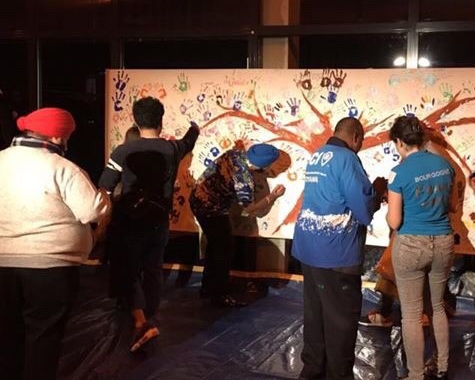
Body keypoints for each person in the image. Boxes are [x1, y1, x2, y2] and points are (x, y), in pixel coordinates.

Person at [0, 107, 111, 380]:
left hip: (2, 263)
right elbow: (91, 211)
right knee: (44, 336)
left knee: (7, 335)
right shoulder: (62, 167)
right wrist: (105, 197)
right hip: (50, 266)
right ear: (59, 137)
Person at [98, 97, 199, 352]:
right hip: (158, 221)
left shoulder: (122, 152)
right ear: (160, 121)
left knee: (129, 269)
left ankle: (140, 321)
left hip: (128, 222)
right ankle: (149, 316)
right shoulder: (172, 149)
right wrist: (194, 127)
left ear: (135, 120)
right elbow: (189, 141)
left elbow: (105, 186)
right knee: (153, 268)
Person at [292, 117, 385, 380]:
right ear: (356, 137)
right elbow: (363, 209)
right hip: (336, 254)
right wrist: (377, 191)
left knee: (315, 314)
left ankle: (312, 371)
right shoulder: (347, 159)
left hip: (308, 249)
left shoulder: (318, 155)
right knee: (341, 321)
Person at [385, 116, 455, 380]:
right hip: (444, 242)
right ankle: (442, 367)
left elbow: (395, 221)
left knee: (412, 316)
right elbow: (452, 207)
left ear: (400, 142)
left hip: (411, 245)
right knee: (437, 306)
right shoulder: (445, 166)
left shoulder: (399, 172)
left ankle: (416, 375)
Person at [190, 142, 285, 307]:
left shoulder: (234, 153)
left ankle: (208, 288)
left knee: (215, 246)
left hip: (197, 198)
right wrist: (272, 196)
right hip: (211, 209)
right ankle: (219, 296)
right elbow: (250, 209)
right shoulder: (244, 179)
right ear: (264, 166)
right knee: (223, 251)